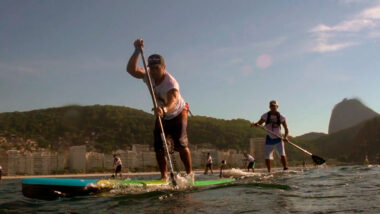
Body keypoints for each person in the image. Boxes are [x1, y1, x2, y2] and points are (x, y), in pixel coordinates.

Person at [126, 39, 193, 180]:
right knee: (159, 147)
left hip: (178, 112)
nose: (154, 71)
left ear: (164, 67)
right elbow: (131, 70)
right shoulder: (148, 75)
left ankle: (190, 174)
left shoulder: (171, 83)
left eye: (157, 68)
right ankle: (164, 176)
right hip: (162, 114)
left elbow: (173, 101)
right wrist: (137, 51)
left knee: (180, 145)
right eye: (152, 68)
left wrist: (163, 110)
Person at [251, 100, 289, 173]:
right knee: (267, 156)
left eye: (274, 106)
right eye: (271, 106)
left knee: (282, 154)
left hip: (278, 138)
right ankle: (269, 171)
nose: (273, 107)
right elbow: (259, 123)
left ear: (277, 107)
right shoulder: (265, 115)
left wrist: (286, 137)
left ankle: (285, 168)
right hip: (269, 138)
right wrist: (254, 125)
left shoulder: (281, 117)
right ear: (269, 107)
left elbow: (286, 128)